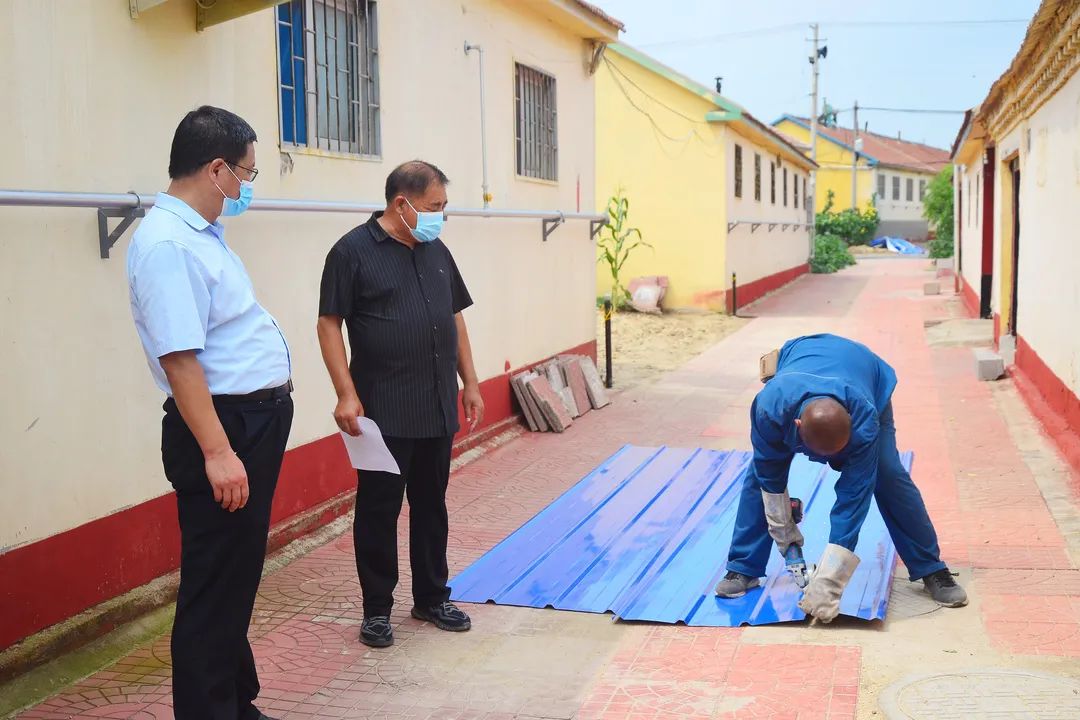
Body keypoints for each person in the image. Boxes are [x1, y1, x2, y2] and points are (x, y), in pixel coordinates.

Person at [126, 106, 292, 719]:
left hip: (248, 422)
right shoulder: (168, 244)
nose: (246, 188)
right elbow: (181, 361)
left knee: (235, 577)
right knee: (214, 584)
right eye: (245, 174)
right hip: (224, 429)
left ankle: (233, 702)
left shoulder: (200, 234)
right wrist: (219, 452)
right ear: (216, 169)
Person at [317, 160, 483, 648]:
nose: (440, 218)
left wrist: (469, 382)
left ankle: (432, 597)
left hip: (435, 406)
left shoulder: (436, 249)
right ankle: (376, 610)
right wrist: (345, 392)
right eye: (435, 208)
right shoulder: (352, 252)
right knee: (379, 510)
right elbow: (329, 325)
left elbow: (455, 318)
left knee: (432, 506)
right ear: (401, 204)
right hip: (384, 411)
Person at [714, 333, 967, 623]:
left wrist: (831, 580)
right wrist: (785, 536)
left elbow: (853, 497)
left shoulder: (863, 419)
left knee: (888, 474)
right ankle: (743, 566)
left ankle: (931, 568)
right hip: (801, 361)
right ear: (797, 427)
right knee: (758, 477)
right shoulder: (770, 407)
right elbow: (770, 477)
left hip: (865, 375)